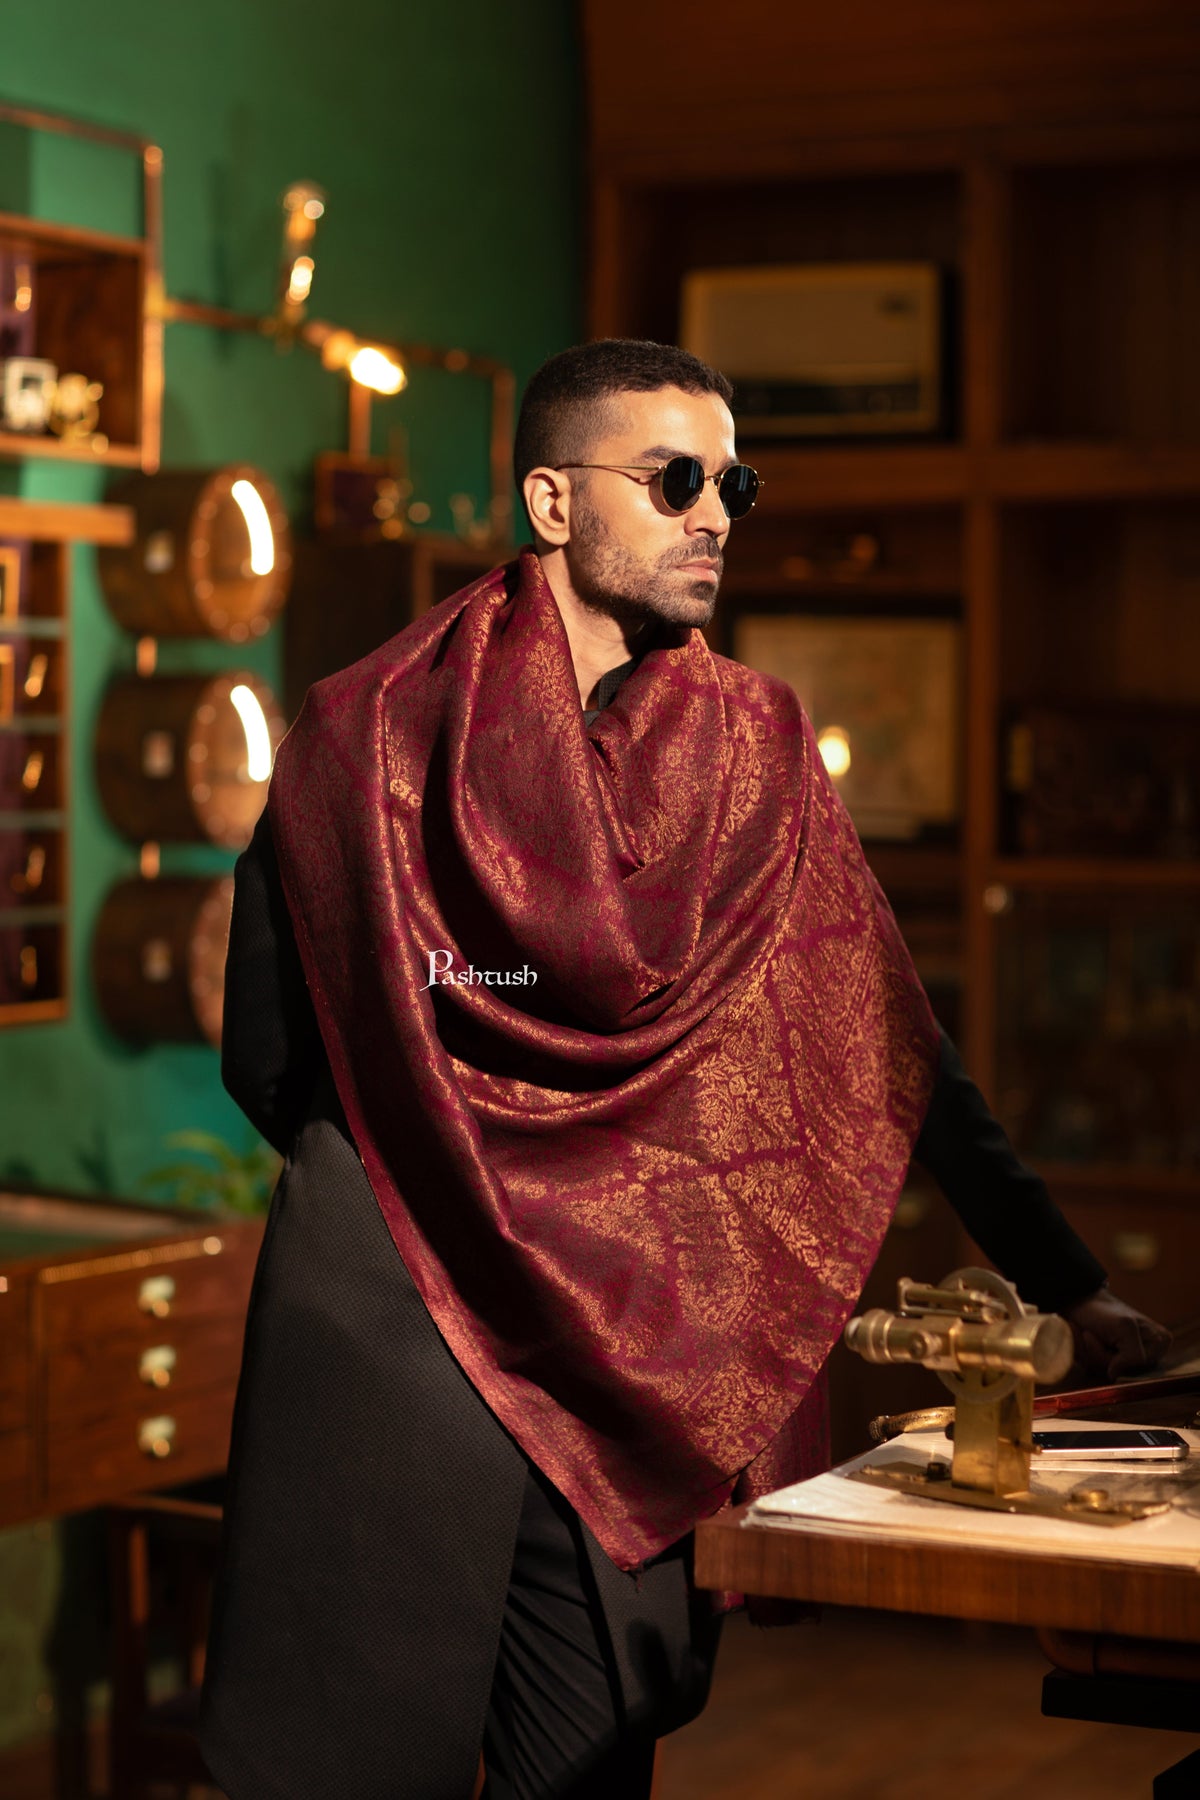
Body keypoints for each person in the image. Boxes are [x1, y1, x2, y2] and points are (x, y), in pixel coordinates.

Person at [199, 339, 1170, 1800]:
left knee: (591, 1765)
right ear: (551, 501)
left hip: (628, 1356)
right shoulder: (364, 735)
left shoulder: (754, 752)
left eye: (734, 484)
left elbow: (891, 1045)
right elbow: (272, 1045)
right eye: (673, 481)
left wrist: (1064, 1282)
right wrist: (437, 1180)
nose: (715, 514)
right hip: (400, 1343)